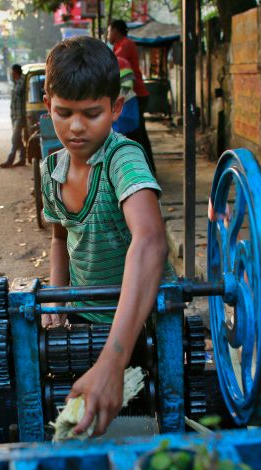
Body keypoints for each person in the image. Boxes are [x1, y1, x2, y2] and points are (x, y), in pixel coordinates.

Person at [39, 37, 170, 437]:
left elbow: (149, 241)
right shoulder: (52, 170)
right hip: (80, 318)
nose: (76, 127)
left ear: (116, 108)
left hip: (136, 324)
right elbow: (60, 238)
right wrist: (55, 304)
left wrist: (114, 361)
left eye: (92, 113)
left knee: (141, 420)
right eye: (64, 113)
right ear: (48, 105)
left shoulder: (122, 158)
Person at [107, 19, 157, 175]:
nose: (108, 35)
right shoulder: (119, 46)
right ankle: (145, 169)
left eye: (109, 31)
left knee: (137, 134)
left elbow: (115, 67)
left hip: (134, 97)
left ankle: (146, 170)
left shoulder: (124, 46)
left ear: (115, 30)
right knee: (137, 134)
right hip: (130, 97)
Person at [0, 64, 27, 168]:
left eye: (12, 72)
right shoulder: (15, 82)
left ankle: (10, 160)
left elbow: (18, 92)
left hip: (20, 115)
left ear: (15, 72)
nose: (11, 74)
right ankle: (22, 159)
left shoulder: (22, 81)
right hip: (15, 115)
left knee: (14, 139)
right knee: (18, 139)